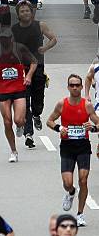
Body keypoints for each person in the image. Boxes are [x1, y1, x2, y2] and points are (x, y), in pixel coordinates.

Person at [46, 73, 99, 227]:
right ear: (68, 87)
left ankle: (80, 214)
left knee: (83, 179)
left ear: (82, 87)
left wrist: (93, 128)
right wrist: (59, 128)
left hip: (83, 146)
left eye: (77, 85)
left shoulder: (87, 105)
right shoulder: (61, 104)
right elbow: (49, 121)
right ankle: (70, 192)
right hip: (67, 147)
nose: (75, 87)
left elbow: (98, 123)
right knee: (68, 182)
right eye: (72, 85)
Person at [0, 31, 37, 162]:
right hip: (3, 90)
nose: (4, 41)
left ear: (11, 38)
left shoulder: (19, 48)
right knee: (7, 122)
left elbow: (34, 61)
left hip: (19, 89)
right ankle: (13, 151)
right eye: (2, 39)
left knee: (18, 120)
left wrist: (28, 76)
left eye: (6, 38)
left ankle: (20, 126)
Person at [12, 0, 57, 148]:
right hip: (21, 69)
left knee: (38, 102)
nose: (25, 13)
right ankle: (29, 134)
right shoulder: (14, 29)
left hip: (38, 68)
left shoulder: (40, 25)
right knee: (25, 103)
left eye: (27, 11)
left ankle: (37, 115)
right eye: (22, 11)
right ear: (18, 14)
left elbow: (54, 39)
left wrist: (45, 48)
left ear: (31, 12)